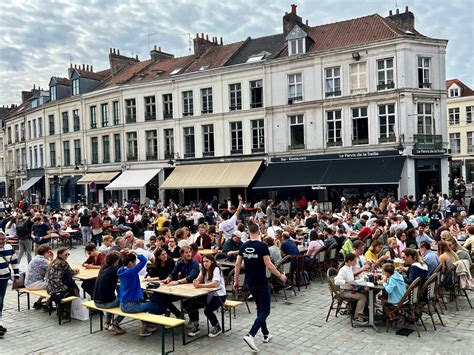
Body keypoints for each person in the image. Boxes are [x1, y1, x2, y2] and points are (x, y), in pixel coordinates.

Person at [234, 223, 287, 352]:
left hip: (250, 283)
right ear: (259, 232)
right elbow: (268, 264)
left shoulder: (243, 246)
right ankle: (250, 335)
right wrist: (280, 275)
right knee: (265, 311)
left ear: (248, 232)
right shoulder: (262, 246)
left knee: (260, 309)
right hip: (261, 282)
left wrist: (236, 281)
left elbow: (237, 264)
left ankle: (266, 334)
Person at [118, 251, 165, 336]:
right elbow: (143, 260)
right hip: (131, 306)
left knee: (145, 302)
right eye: (135, 262)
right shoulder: (131, 272)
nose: (136, 263)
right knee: (159, 306)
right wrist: (136, 252)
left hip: (123, 304)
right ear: (130, 263)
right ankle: (146, 326)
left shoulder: (120, 270)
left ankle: (147, 324)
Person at [183, 255, 227, 337]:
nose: (205, 263)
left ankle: (217, 327)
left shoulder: (216, 269)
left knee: (207, 311)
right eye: (203, 262)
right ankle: (196, 326)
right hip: (207, 294)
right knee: (189, 304)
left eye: (207, 261)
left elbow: (214, 284)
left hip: (219, 296)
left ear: (212, 261)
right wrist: (196, 281)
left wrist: (200, 286)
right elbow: (199, 278)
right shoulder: (203, 269)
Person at [93, 251, 125, 334]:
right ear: (116, 260)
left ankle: (107, 322)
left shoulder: (103, 267)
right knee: (128, 304)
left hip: (96, 301)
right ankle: (115, 324)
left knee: (109, 296)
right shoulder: (115, 269)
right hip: (106, 303)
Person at [334, 253, 368, 325]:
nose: (355, 262)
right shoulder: (343, 270)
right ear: (349, 261)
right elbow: (336, 281)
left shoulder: (349, 267)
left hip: (350, 289)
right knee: (363, 297)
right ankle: (356, 317)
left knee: (366, 292)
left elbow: (351, 277)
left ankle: (362, 312)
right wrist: (346, 282)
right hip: (344, 291)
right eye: (354, 261)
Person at [0, 231, 20, 336]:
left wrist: (16, 276)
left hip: (4, 279)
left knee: (1, 302)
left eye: (3, 239)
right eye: (0, 239)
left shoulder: (9, 248)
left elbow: (14, 262)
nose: (2, 241)